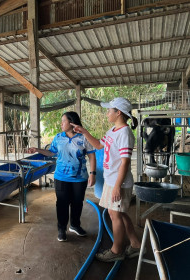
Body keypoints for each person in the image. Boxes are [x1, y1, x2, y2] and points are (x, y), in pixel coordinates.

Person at [71, 97, 143, 262]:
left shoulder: (124, 133)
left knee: (114, 214)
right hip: (112, 180)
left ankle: (117, 251)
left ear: (118, 113)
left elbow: (125, 162)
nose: (107, 114)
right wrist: (84, 131)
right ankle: (135, 244)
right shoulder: (113, 130)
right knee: (120, 213)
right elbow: (98, 145)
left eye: (109, 110)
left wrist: (117, 186)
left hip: (119, 182)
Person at [28, 111, 96, 242]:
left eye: (63, 121)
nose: (61, 124)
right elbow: (51, 152)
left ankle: (75, 225)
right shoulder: (58, 137)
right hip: (61, 177)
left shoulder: (83, 137)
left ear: (71, 123)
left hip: (80, 177)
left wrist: (93, 174)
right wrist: (37, 149)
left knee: (77, 203)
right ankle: (61, 229)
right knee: (62, 203)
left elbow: (92, 156)